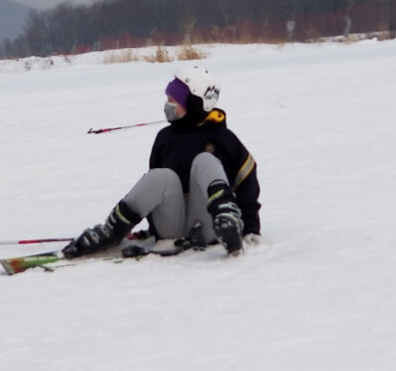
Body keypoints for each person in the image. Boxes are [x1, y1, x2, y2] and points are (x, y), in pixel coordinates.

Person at [63, 63, 261, 258]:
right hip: (171, 227)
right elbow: (153, 189)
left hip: (210, 226)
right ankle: (111, 230)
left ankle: (227, 221)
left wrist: (251, 227)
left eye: (174, 100)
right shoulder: (165, 138)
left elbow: (247, 181)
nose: (168, 104)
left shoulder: (224, 138)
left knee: (205, 161)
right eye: (168, 99)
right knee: (161, 176)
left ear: (195, 103)